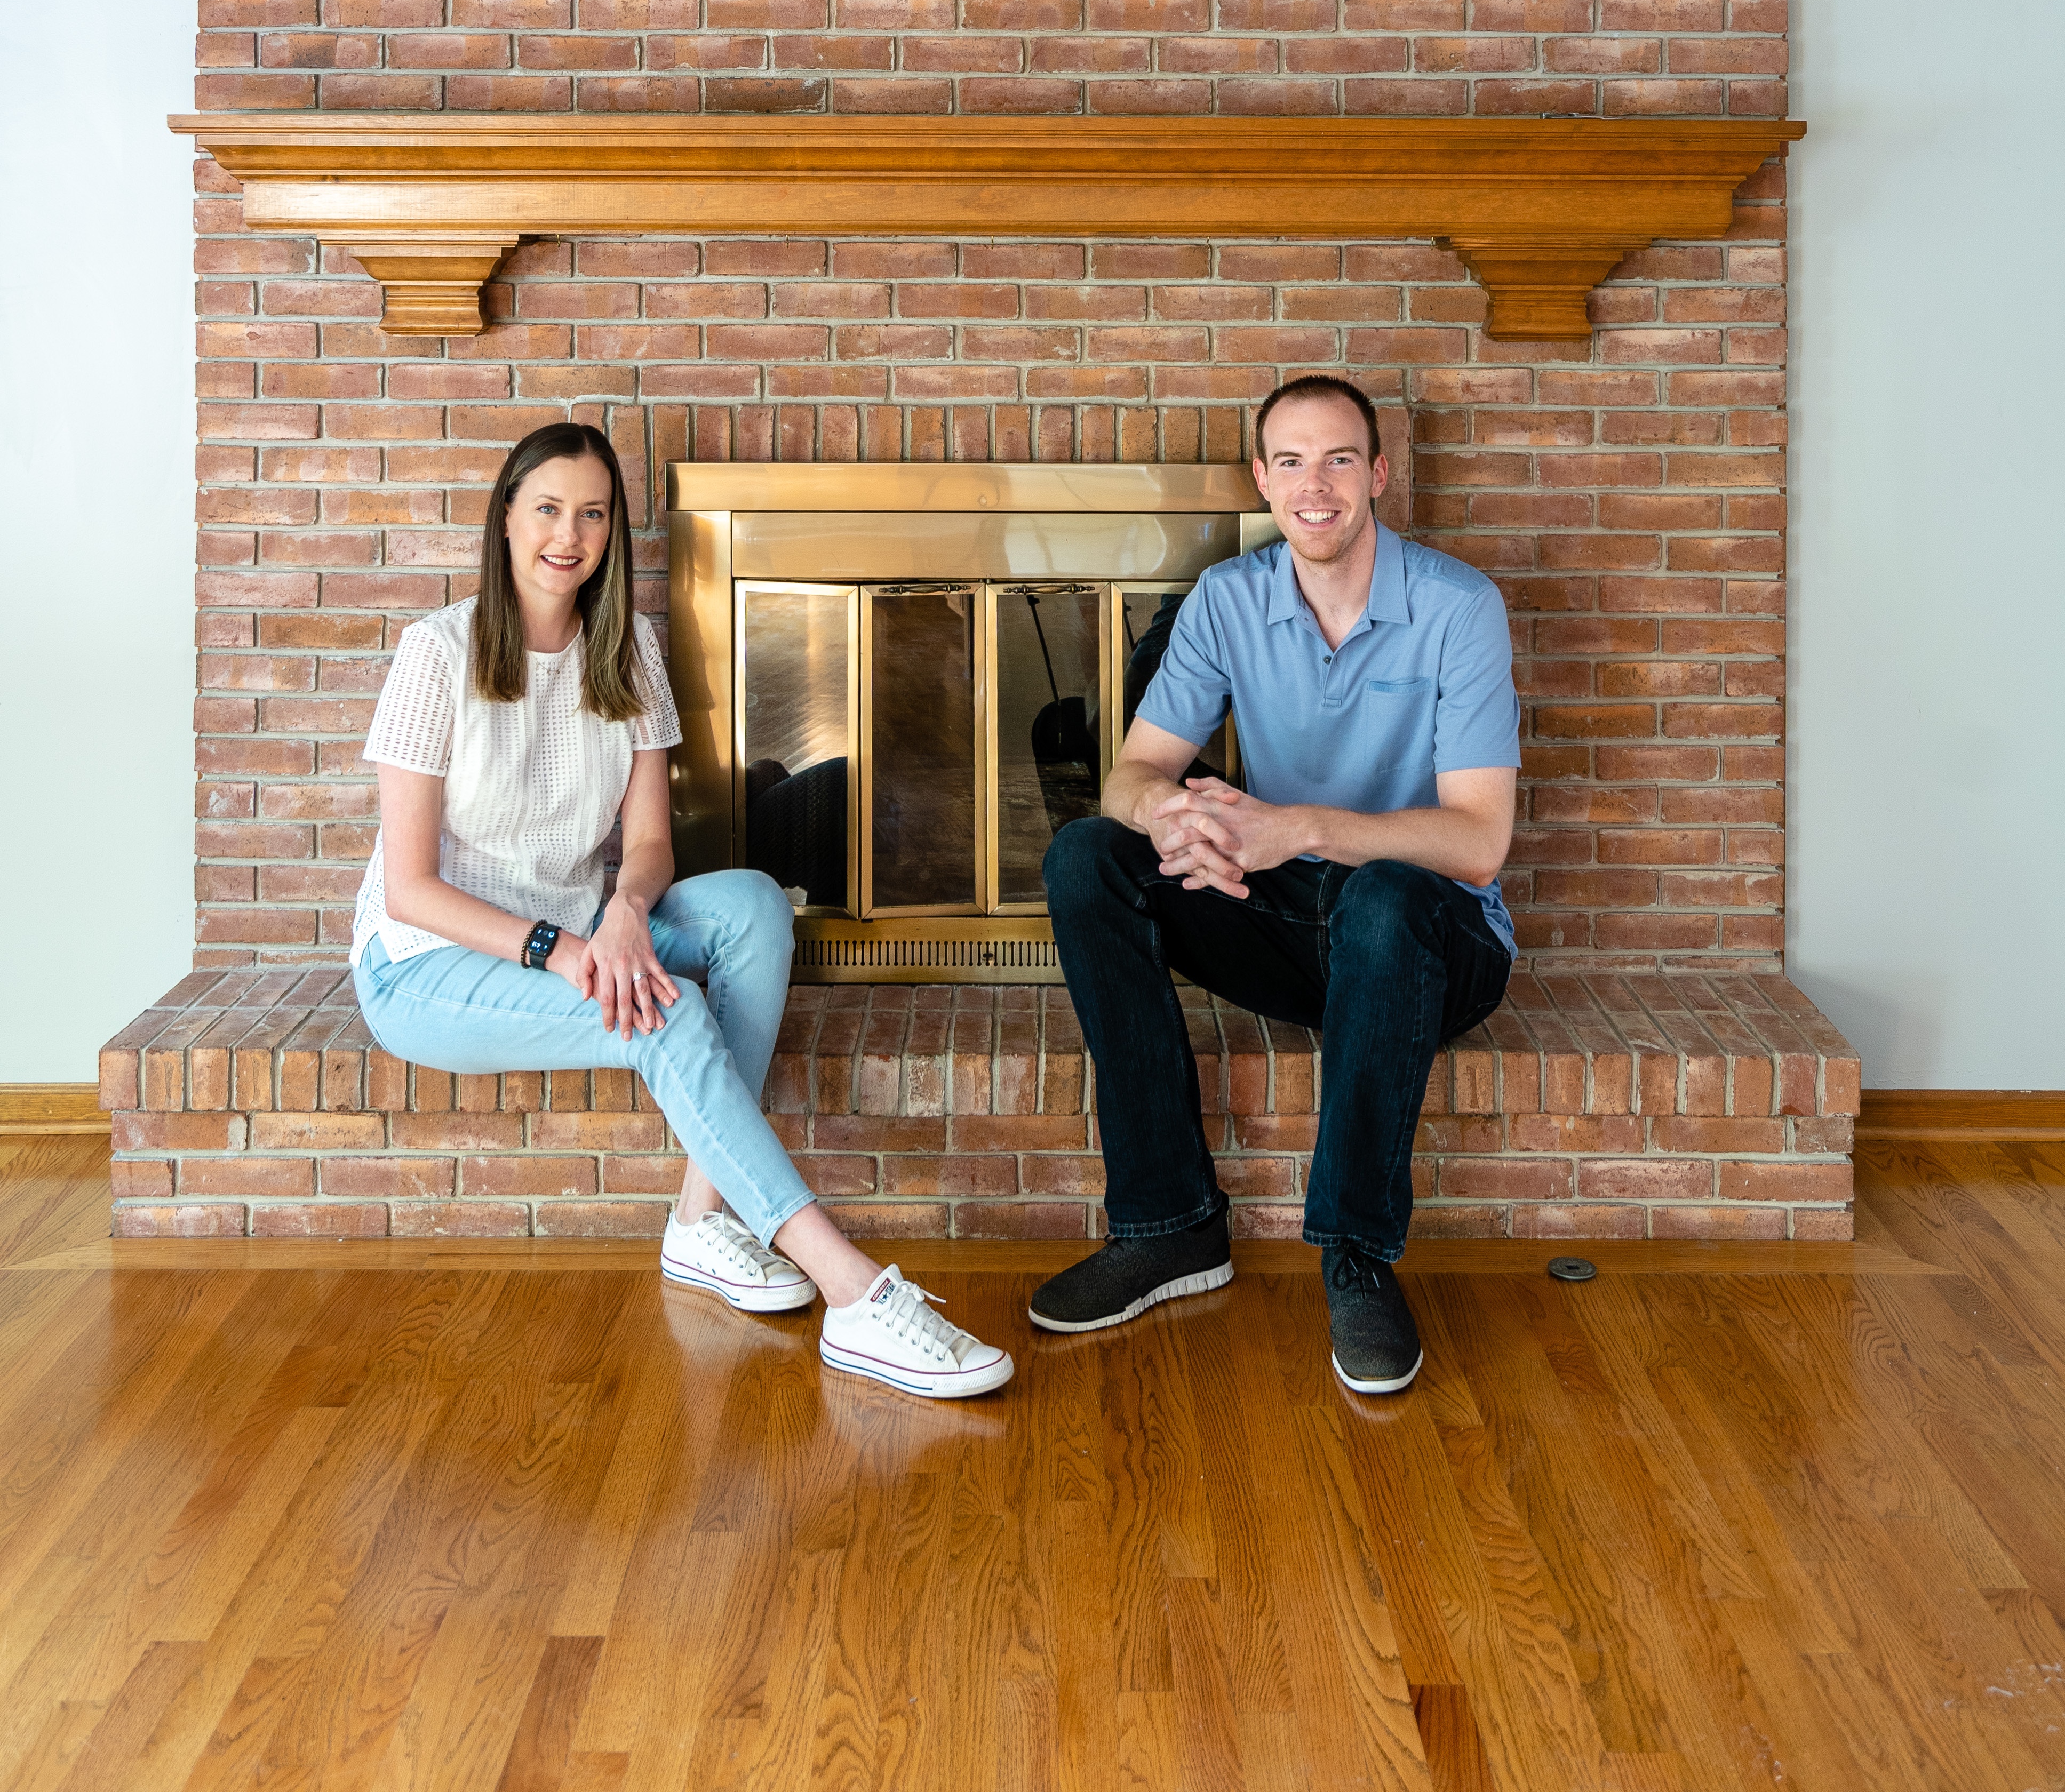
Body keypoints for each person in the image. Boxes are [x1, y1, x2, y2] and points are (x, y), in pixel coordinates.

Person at [351, 420, 1010, 1402]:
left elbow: (652, 844)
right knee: (668, 1011)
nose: (567, 535)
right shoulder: (436, 655)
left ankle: (703, 1218)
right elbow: (411, 888)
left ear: (612, 531)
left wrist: (621, 913)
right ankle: (854, 1291)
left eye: (592, 514)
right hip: (428, 962)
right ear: (503, 519)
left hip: (579, 921)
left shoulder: (629, 650)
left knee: (748, 903)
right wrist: (564, 950)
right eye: (546, 509)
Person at [1033, 376, 1519, 1394]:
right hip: (1288, 921)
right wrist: (1182, 824)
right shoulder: (1229, 598)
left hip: (1434, 945)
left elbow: (1480, 843)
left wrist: (1288, 827)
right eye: (1291, 461)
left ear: (1378, 473)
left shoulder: (1460, 607)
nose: (1317, 485)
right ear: (1262, 479)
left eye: (1341, 458)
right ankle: (1170, 1226)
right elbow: (1132, 773)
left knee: (1385, 896)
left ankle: (1357, 1255)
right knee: (1087, 855)